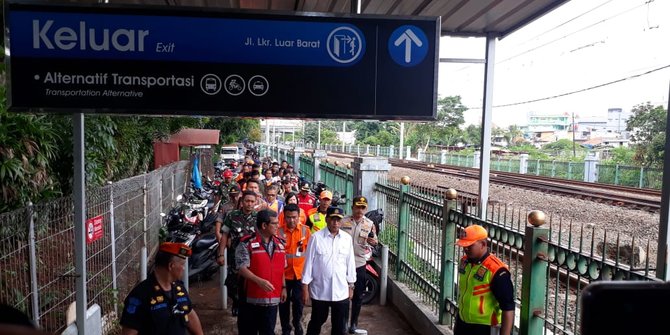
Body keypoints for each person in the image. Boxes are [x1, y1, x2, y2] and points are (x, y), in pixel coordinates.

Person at [120, 242, 203, 335]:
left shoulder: (179, 288)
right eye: (182, 264)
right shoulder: (140, 295)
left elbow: (189, 314)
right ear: (171, 266)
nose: (184, 268)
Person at [302, 207, 356, 335]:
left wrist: (351, 286)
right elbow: (308, 263)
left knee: (339, 325)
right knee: (317, 321)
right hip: (320, 290)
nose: (335, 223)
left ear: (341, 222)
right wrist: (305, 288)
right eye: (332, 219)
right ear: (327, 219)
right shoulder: (316, 238)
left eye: (338, 220)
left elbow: (350, 263)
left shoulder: (347, 239)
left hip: (340, 290)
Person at [454, 225, 514, 335]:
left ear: (483, 244)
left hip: (485, 328)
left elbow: (508, 307)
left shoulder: (497, 271)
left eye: (469, 246)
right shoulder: (464, 262)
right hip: (462, 323)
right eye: (464, 245)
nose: (465, 249)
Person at [236, 209, 287, 334]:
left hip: (272, 301)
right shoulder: (246, 243)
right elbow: (242, 268)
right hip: (251, 300)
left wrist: (284, 287)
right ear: (264, 225)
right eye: (274, 223)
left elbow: (281, 269)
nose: (277, 226)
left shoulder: (280, 244)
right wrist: (259, 281)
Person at [217, 191, 259, 316]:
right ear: (242, 201)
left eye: (252, 201)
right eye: (247, 201)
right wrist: (221, 254)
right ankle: (236, 301)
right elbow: (225, 235)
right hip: (234, 255)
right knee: (232, 283)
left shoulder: (258, 217)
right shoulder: (232, 215)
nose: (249, 204)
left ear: (255, 202)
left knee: (249, 282)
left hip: (252, 257)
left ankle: (245, 306)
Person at [340, 196, 378, 334]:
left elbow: (375, 242)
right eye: (358, 207)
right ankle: (342, 323)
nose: (360, 210)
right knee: (343, 297)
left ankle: (353, 324)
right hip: (342, 263)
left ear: (366, 208)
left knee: (358, 296)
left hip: (359, 263)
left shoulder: (369, 224)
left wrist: (373, 242)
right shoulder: (343, 221)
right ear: (352, 207)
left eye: (363, 207)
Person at [277, 204, 311, 335]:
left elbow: (309, 254)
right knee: (283, 304)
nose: (291, 220)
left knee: (298, 303)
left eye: (294, 217)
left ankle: (297, 324)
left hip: (299, 275)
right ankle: (286, 328)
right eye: (288, 217)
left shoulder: (305, 231)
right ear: (284, 217)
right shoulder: (278, 232)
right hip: (283, 275)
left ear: (299, 217)